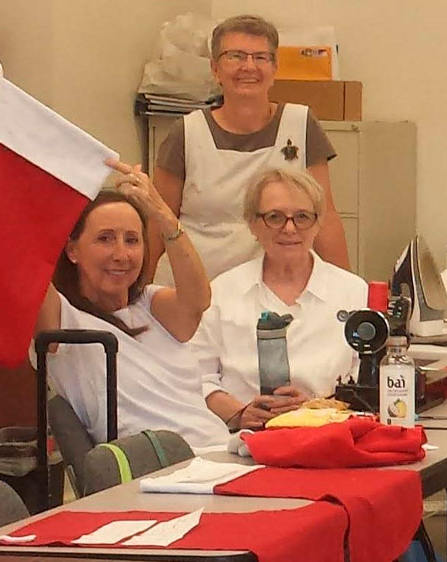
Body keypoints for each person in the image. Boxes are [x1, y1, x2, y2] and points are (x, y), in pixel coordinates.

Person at [33, 161, 230, 452]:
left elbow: (198, 300)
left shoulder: (150, 303)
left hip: (222, 450)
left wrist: (162, 215)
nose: (121, 254)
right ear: (72, 250)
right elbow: (21, 249)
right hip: (157, 471)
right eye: (105, 239)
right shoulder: (64, 320)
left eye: (132, 240)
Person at [150, 14, 349, 286]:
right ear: (215, 68)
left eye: (260, 57)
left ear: (275, 68)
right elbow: (158, 222)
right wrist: (137, 298)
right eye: (235, 56)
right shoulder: (186, 133)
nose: (248, 67)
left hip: (276, 291)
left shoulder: (301, 125)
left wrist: (349, 296)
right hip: (195, 292)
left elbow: (326, 219)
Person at [191, 167, 367, 431]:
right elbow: (197, 378)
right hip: (241, 439)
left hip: (327, 437)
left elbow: (368, 383)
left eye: (302, 217)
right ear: (252, 223)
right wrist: (239, 414)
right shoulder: (220, 293)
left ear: (318, 223)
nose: (289, 228)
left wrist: (315, 409)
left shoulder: (353, 293)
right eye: (274, 217)